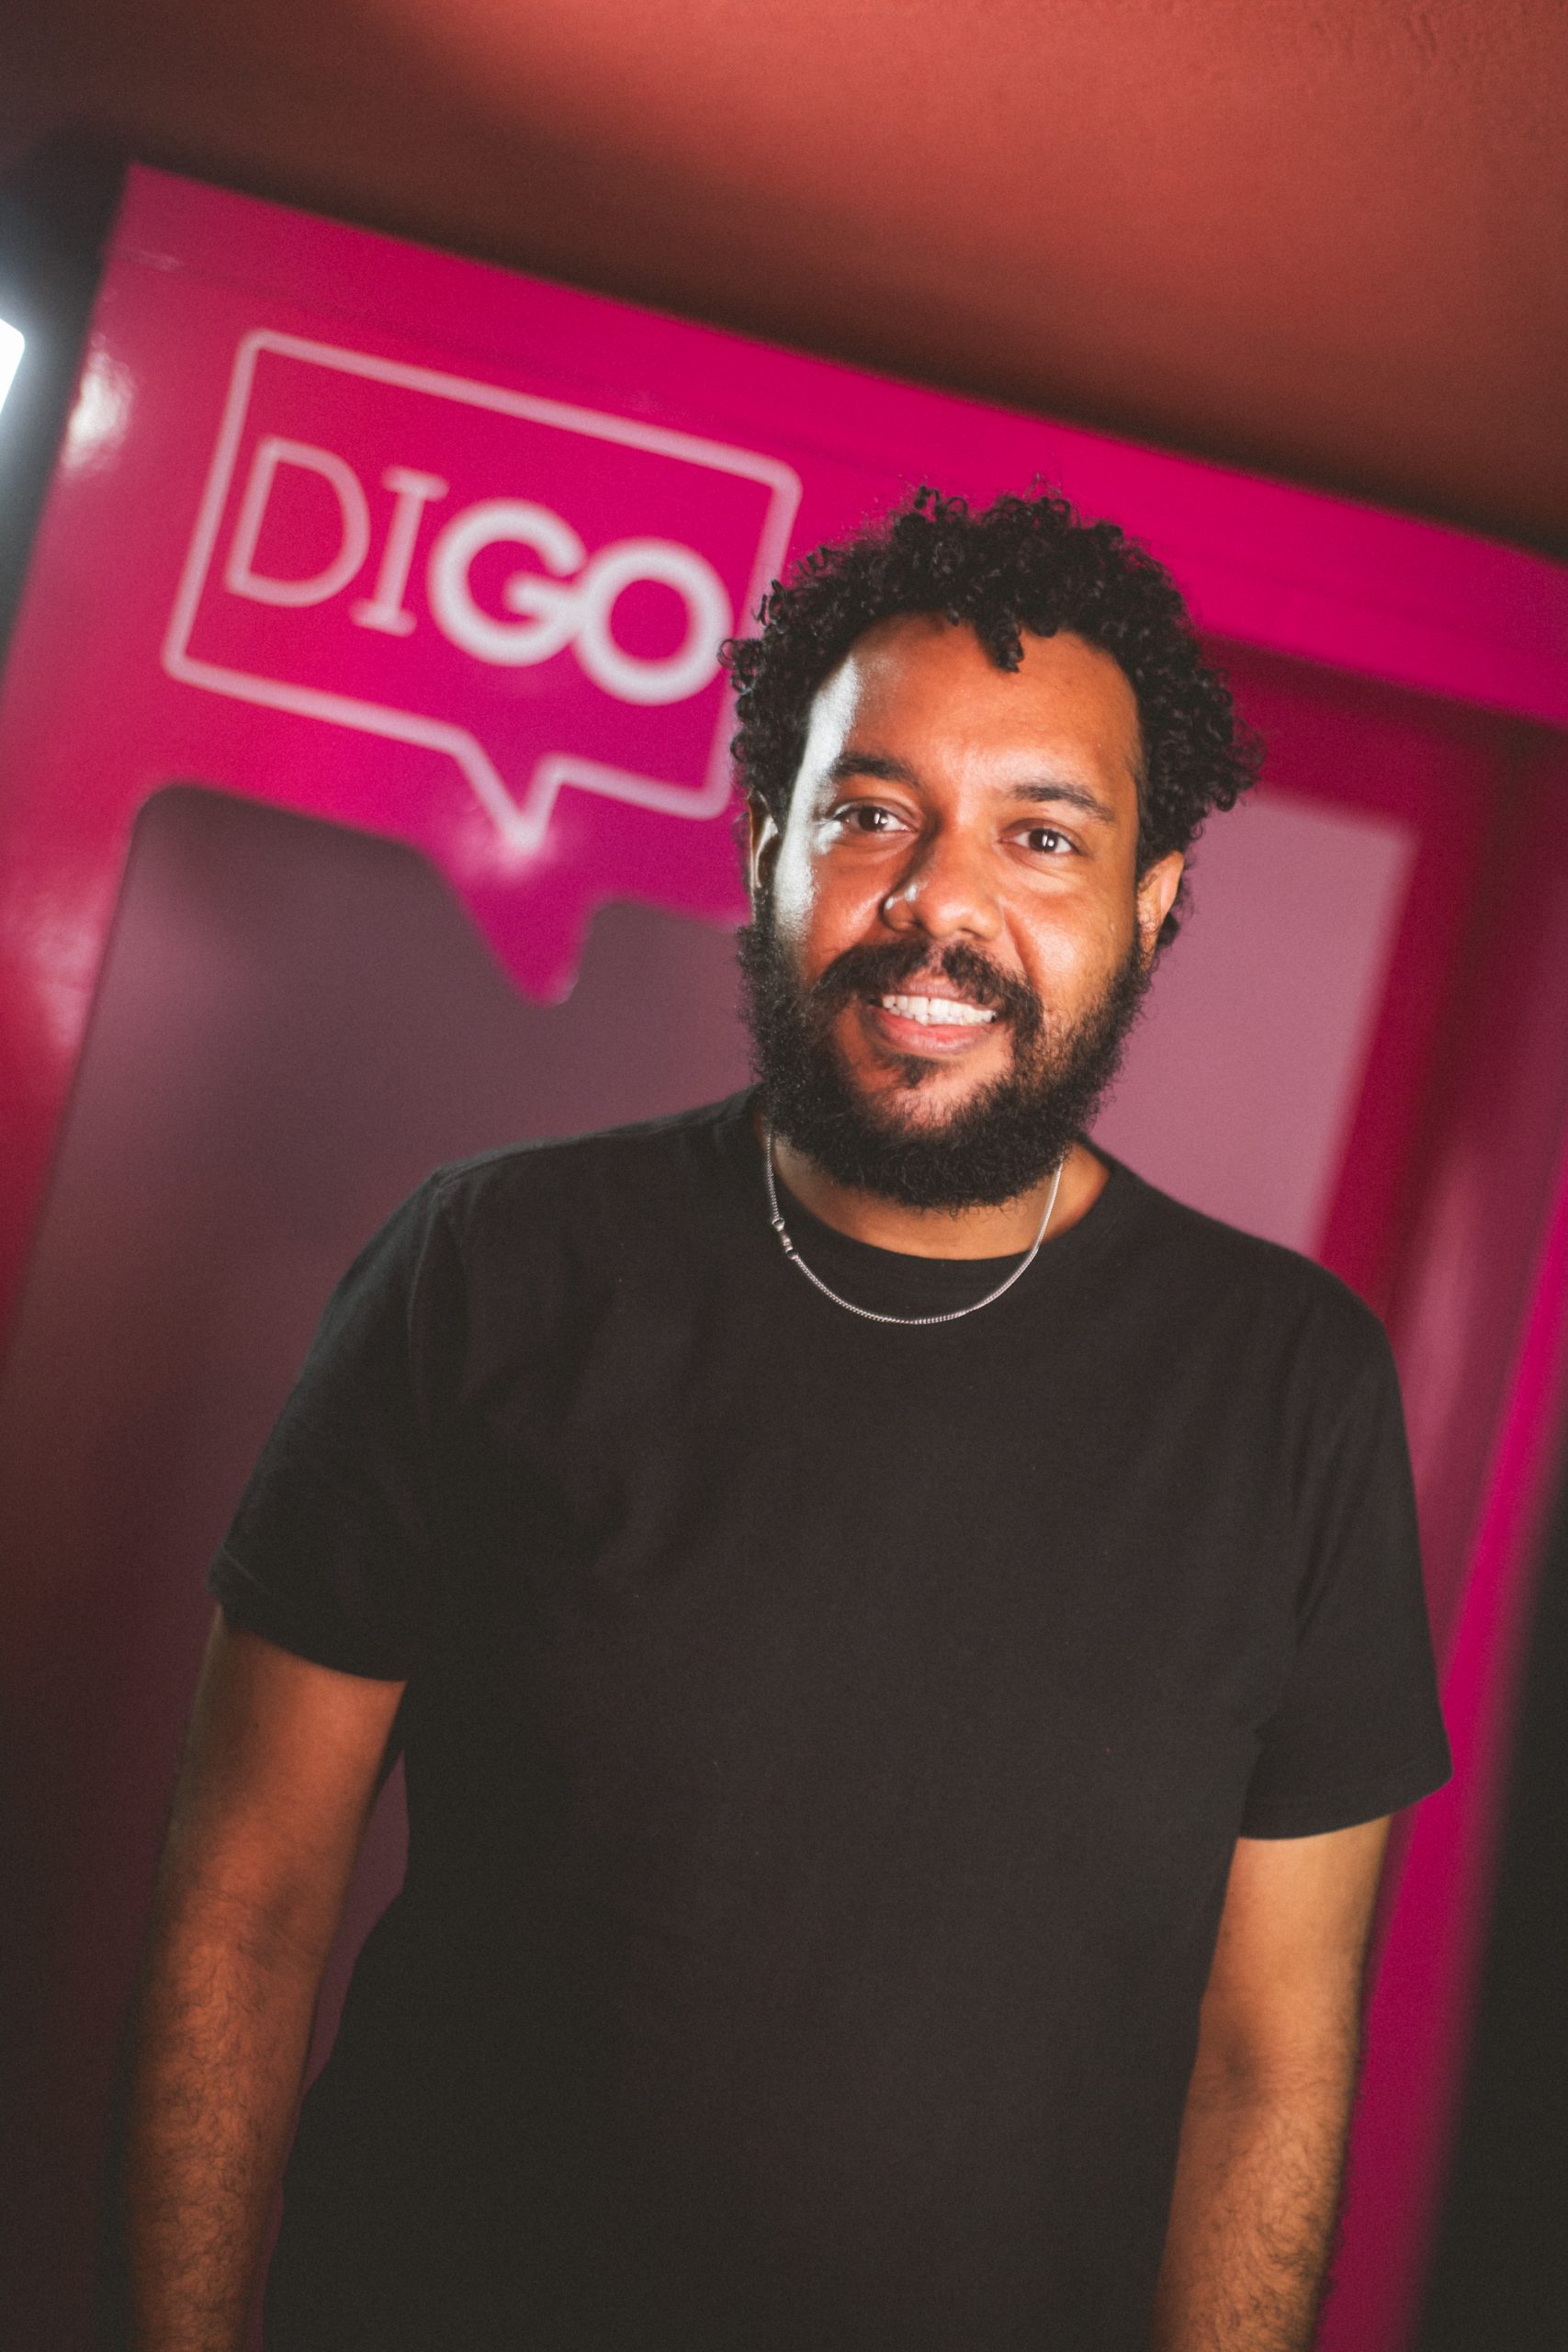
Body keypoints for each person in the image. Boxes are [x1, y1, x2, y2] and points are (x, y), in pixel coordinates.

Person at [101, 487, 1450, 2352]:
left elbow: (1269, 2059)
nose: (940, 903)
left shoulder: (1293, 1388)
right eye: (870, 812)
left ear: (1150, 908)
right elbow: (244, 1898)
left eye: (1040, 836)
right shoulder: (492, 1267)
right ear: (765, 849)